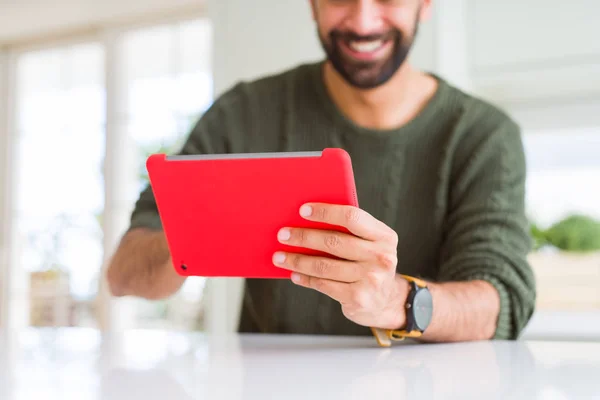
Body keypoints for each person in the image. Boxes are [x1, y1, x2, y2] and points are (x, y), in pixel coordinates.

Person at [106, 0, 536, 343]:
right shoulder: (243, 113)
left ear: (425, 3)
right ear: (312, 5)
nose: (363, 20)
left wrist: (395, 301)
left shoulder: (483, 136)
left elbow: (500, 302)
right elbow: (122, 273)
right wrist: (190, 237)